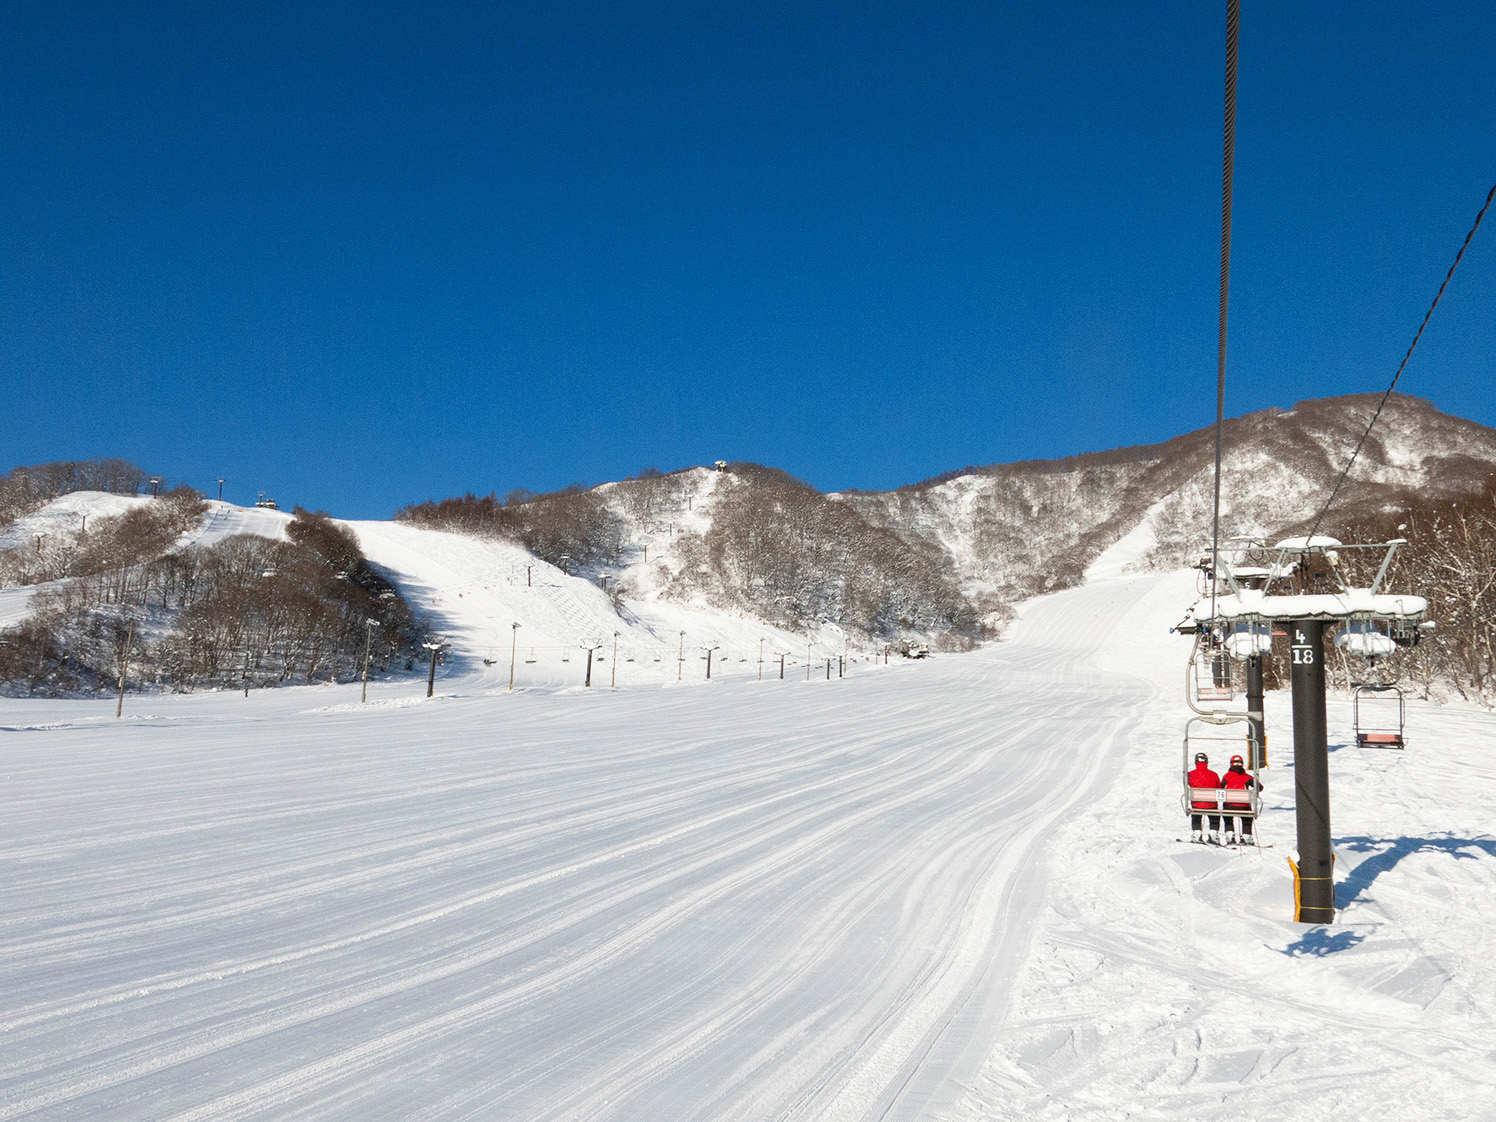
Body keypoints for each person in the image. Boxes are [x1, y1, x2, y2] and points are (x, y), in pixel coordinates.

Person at [1221, 753, 1260, 845]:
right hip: (1244, 806)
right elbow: (1259, 787)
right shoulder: (1247, 777)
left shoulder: (1226, 776)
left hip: (1229, 805)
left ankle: (1230, 834)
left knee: (1227, 816)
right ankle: (1246, 836)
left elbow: (1220, 787)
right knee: (1247, 817)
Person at [1187, 751, 1222, 844]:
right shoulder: (1214, 774)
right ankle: (1213, 833)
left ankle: (1197, 833)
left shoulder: (1190, 774)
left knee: (1196, 812)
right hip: (1211, 804)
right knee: (1214, 814)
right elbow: (1219, 788)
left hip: (1197, 803)